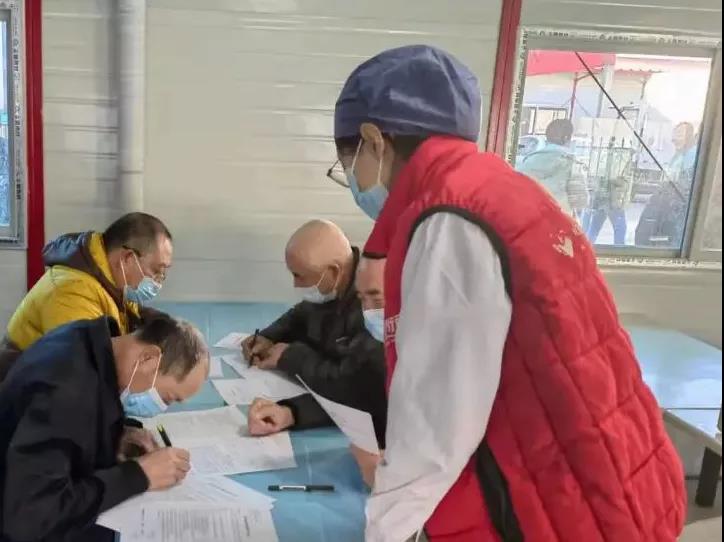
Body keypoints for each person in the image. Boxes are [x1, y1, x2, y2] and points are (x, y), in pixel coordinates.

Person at [333, 45, 686, 542]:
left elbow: (435, 427)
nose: (351, 179)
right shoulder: (504, 189)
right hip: (614, 478)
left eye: (347, 162)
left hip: (564, 508)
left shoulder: (449, 219)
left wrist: (385, 529)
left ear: (374, 139)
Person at [0, 312, 209, 542]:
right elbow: (30, 519)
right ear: (148, 358)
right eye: (167, 398)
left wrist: (116, 433)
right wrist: (138, 475)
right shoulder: (66, 394)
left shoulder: (86, 339)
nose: (162, 408)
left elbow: (69, 429)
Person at [243, 219, 386, 446]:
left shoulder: (372, 310)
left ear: (333, 271)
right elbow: (302, 314)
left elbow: (353, 386)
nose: (295, 284)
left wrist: (290, 357)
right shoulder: (333, 287)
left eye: (299, 276)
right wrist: (269, 336)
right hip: (320, 404)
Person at [0, 212, 173, 381]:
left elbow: (132, 322)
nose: (158, 282)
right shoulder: (70, 292)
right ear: (127, 259)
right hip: (23, 392)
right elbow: (88, 370)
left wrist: (167, 330)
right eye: (156, 271)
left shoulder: (116, 285)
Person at [635, 121, 698, 248]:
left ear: (689, 136)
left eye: (680, 134)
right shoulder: (678, 155)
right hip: (668, 207)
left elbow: (683, 185)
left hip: (677, 211)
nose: (674, 139)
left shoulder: (692, 156)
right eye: (675, 134)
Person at [517, 119, 587, 217]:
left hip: (529, 217)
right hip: (558, 220)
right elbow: (580, 201)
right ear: (567, 138)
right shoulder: (572, 164)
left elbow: (517, 190)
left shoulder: (529, 161)